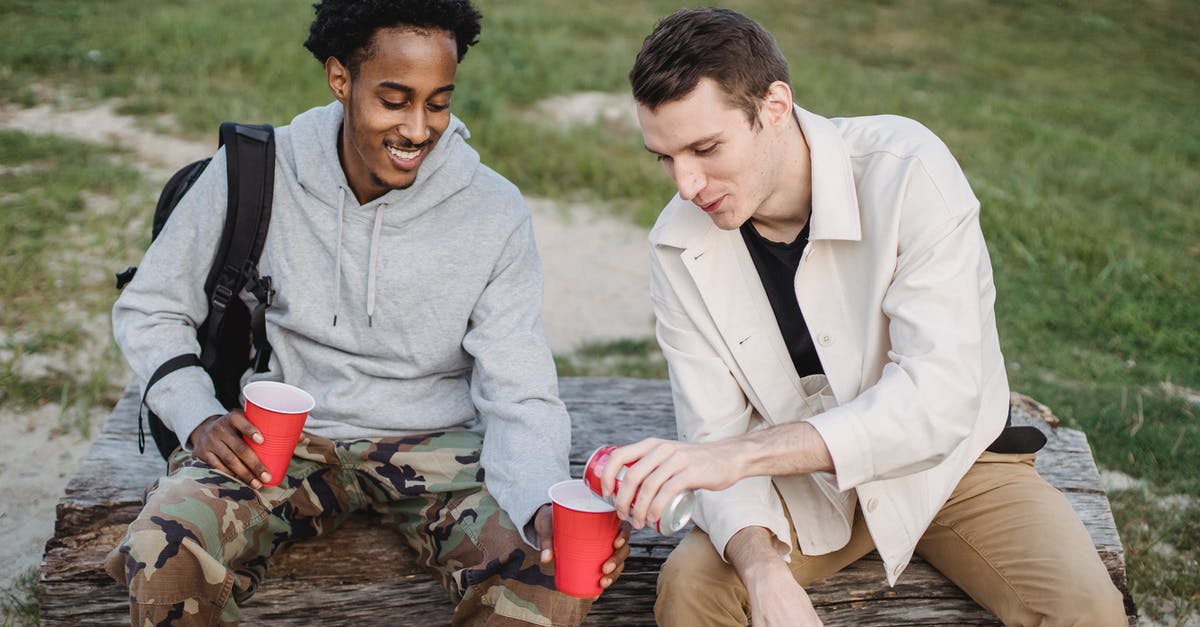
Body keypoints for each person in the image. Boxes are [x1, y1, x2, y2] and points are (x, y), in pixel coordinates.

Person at [599, 7, 1126, 626]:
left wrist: (738, 457)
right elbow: (715, 433)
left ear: (774, 106)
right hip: (799, 480)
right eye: (664, 157)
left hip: (955, 464)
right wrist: (764, 571)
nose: (686, 184)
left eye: (706, 149)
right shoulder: (675, 242)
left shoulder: (907, 171)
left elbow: (938, 399)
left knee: (1086, 610)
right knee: (692, 587)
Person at [105, 1, 628, 624]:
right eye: (394, 98)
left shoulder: (493, 210)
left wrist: (542, 504)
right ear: (340, 79)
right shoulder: (255, 171)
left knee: (552, 576)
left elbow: (520, 388)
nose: (417, 129)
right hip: (282, 441)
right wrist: (197, 417)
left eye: (438, 102)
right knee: (162, 547)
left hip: (440, 447)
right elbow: (151, 307)